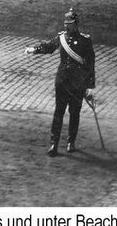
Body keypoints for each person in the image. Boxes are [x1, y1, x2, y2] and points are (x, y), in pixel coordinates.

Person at [24, 9, 95, 156]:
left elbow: (90, 65)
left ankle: (71, 142)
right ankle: (53, 144)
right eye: (65, 23)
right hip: (62, 81)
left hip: (78, 83)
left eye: (70, 24)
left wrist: (90, 87)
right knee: (58, 113)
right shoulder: (61, 38)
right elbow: (49, 47)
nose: (67, 26)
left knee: (74, 113)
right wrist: (33, 50)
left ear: (76, 24)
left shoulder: (85, 40)